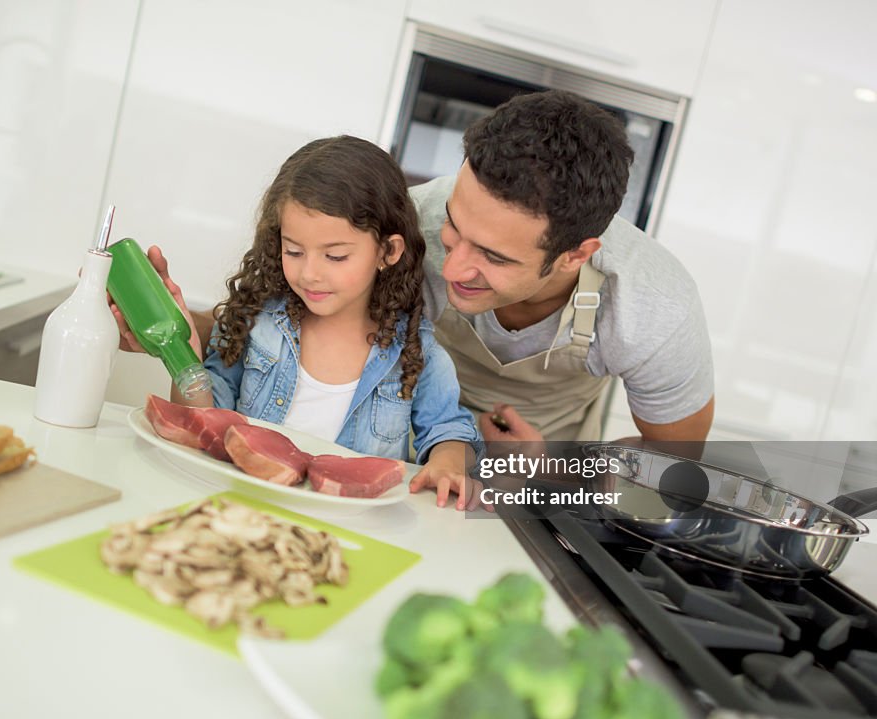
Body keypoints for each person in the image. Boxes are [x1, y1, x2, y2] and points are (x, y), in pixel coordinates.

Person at [114, 136, 486, 510]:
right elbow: (203, 424)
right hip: (238, 509)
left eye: (335, 256)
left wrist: (449, 462)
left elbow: (448, 430)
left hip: (343, 527)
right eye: (293, 250)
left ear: (388, 252)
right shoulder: (255, 323)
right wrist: (185, 357)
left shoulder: (415, 352)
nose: (309, 273)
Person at [409, 89, 715, 446]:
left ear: (575, 256)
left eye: (494, 256)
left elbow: (674, 458)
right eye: (452, 225)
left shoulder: (656, 307)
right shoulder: (408, 226)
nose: (452, 269)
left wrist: (547, 470)